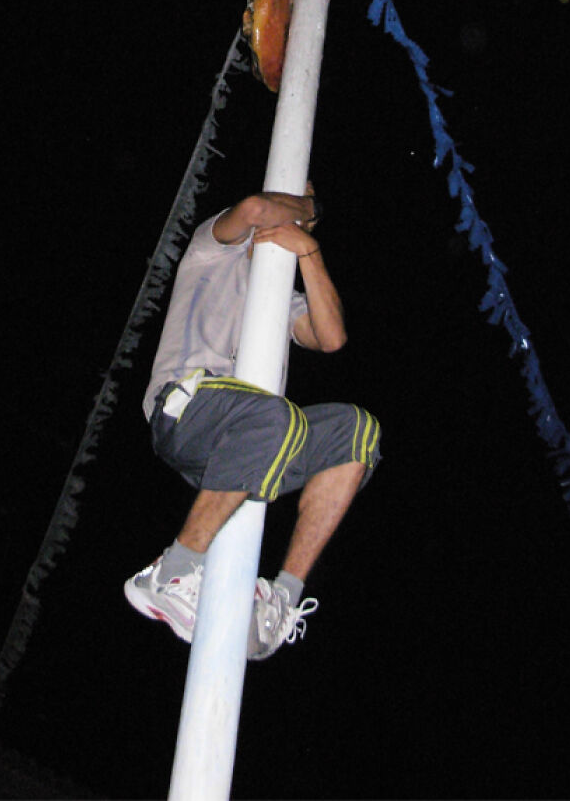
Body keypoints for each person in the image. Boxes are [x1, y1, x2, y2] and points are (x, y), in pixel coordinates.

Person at [124, 185, 381, 660]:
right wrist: (310, 208)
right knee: (270, 414)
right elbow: (255, 209)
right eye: (293, 201)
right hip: (186, 409)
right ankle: (171, 572)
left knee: (356, 430)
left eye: (301, 207)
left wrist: (309, 251)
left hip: (256, 442)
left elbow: (331, 337)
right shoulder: (213, 249)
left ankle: (280, 600)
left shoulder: (282, 299)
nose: (293, 209)